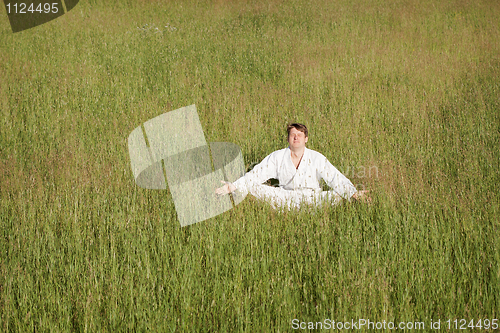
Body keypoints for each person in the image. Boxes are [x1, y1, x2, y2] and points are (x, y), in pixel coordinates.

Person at [215, 123, 370, 209]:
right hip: (284, 197)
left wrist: (353, 193)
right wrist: (232, 186)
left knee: (337, 194)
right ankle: (233, 190)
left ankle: (353, 195)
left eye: (299, 135)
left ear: (306, 139)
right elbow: (256, 175)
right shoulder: (277, 156)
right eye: (292, 135)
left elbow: (334, 177)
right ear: (288, 139)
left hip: (312, 198)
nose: (296, 137)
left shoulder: (316, 157)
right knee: (252, 187)